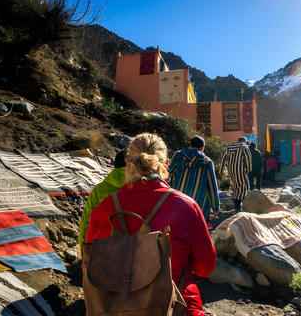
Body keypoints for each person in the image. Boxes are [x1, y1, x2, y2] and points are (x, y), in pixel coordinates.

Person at [85, 133, 216, 316]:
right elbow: (205, 268)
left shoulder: (104, 209)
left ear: (128, 161)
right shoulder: (186, 206)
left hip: (115, 308)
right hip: (175, 307)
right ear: (166, 164)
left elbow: (89, 267)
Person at [78, 149, 127, 246]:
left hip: (103, 249)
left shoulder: (99, 190)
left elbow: (86, 221)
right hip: (134, 251)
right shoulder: (145, 189)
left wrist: (84, 248)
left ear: (114, 166)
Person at [167, 135, 220, 222]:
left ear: (190, 144)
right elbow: (212, 185)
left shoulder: (179, 155)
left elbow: (167, 173)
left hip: (178, 200)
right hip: (198, 204)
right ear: (202, 147)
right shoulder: (207, 162)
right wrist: (215, 206)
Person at [219, 136, 251, 212]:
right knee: (244, 187)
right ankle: (237, 206)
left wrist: (221, 170)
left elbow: (224, 158)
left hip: (231, 170)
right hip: (240, 169)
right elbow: (248, 157)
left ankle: (235, 202)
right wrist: (248, 168)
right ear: (244, 141)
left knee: (236, 186)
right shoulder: (244, 146)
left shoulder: (229, 146)